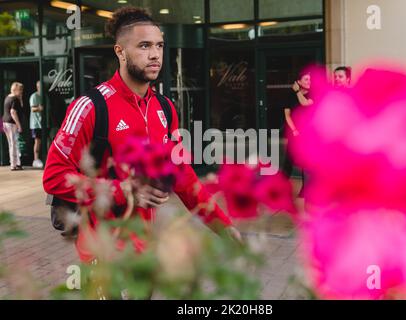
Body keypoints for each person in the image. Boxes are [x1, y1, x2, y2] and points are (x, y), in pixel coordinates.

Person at [43, 7, 240, 263]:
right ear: (120, 51)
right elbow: (54, 177)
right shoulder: (90, 106)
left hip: (143, 254)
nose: (155, 54)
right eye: (144, 46)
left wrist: (223, 226)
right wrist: (123, 190)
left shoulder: (165, 109)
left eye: (159, 45)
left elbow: (183, 177)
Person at [282, 71, 313, 178]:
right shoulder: (290, 96)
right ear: (298, 82)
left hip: (309, 131)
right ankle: (282, 185)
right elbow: (287, 115)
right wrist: (294, 130)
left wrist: (297, 92)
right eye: (306, 79)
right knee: (289, 159)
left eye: (310, 79)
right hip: (295, 131)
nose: (309, 81)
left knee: (308, 159)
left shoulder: (313, 93)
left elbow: (305, 103)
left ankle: (307, 187)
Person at [2, 82, 24, 171]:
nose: (22, 91)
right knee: (14, 144)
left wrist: (21, 99)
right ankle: (14, 165)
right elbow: (13, 112)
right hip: (11, 123)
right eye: (20, 90)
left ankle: (17, 163)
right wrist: (19, 125)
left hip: (5, 122)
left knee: (11, 143)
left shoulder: (8, 97)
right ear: (16, 89)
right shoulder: (15, 99)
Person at [29, 80, 44, 168]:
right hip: (36, 124)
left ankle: (46, 158)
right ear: (37, 87)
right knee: (37, 142)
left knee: (47, 141)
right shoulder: (34, 96)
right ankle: (36, 160)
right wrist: (40, 108)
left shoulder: (45, 96)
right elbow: (33, 109)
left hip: (45, 123)